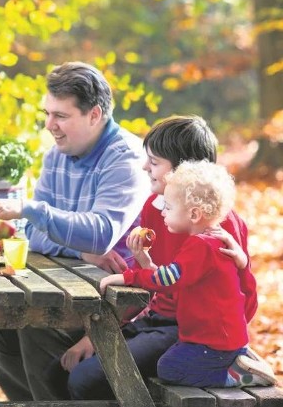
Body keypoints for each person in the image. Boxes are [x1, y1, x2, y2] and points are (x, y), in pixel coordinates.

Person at [0, 61, 150, 400]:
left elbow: (100, 234)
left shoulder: (125, 159)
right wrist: (78, 249)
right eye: (47, 114)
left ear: (94, 115)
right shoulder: (57, 155)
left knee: (37, 321)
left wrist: (33, 211)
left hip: (121, 298)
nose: (50, 125)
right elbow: (32, 234)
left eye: (61, 116)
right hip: (76, 278)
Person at [56, 115, 259, 400]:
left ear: (184, 172)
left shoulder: (219, 227)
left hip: (190, 333)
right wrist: (96, 334)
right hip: (154, 317)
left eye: (154, 162)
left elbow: (241, 302)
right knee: (58, 370)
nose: (144, 167)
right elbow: (159, 281)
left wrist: (222, 347)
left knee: (85, 379)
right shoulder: (156, 207)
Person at [100, 160, 277, 388]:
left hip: (214, 343)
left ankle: (235, 374)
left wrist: (127, 277)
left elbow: (168, 279)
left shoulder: (201, 246)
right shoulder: (208, 242)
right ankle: (236, 362)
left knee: (168, 369)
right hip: (216, 339)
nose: (163, 211)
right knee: (167, 361)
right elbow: (173, 279)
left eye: (169, 207)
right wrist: (145, 262)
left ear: (194, 214)